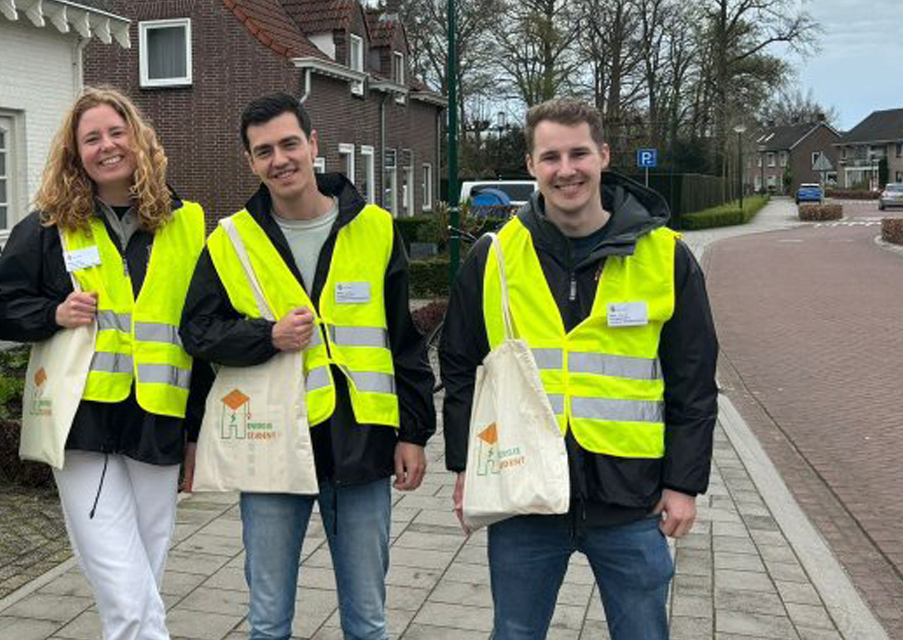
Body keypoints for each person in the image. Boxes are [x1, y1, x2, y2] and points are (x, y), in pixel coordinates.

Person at [440, 98, 719, 640]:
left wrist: (684, 485)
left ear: (604, 155)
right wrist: (464, 466)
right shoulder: (493, 257)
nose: (566, 170)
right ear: (530, 165)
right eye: (550, 157)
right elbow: (459, 367)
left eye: (578, 153)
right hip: (522, 497)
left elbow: (694, 383)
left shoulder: (666, 257)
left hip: (631, 499)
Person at [180, 93, 436, 640]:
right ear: (250, 162)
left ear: (314, 145)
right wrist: (266, 336)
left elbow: (404, 341)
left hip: (362, 443)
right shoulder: (230, 241)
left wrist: (413, 432)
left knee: (367, 622)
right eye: (264, 150)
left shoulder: (376, 228)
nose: (280, 160)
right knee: (269, 623)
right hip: (271, 446)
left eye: (289, 143)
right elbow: (197, 332)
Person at [0, 86, 210, 640]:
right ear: (74, 152)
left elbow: (203, 334)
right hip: (82, 426)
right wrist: (54, 312)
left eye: (117, 132)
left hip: (159, 422)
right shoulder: (48, 226)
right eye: (92, 138)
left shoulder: (188, 222)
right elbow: (4, 308)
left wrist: (197, 433)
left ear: (139, 139)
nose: (107, 146)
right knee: (126, 591)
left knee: (143, 580)